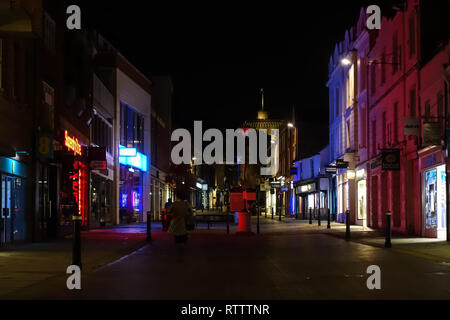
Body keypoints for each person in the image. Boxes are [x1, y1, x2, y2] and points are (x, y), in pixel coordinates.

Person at [167, 190, 193, 263]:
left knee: (177, 241)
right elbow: (191, 213)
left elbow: (168, 212)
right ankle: (182, 254)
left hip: (176, 225)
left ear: (177, 196)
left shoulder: (174, 204)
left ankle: (179, 256)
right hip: (184, 224)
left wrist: (172, 216)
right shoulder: (186, 204)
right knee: (183, 240)